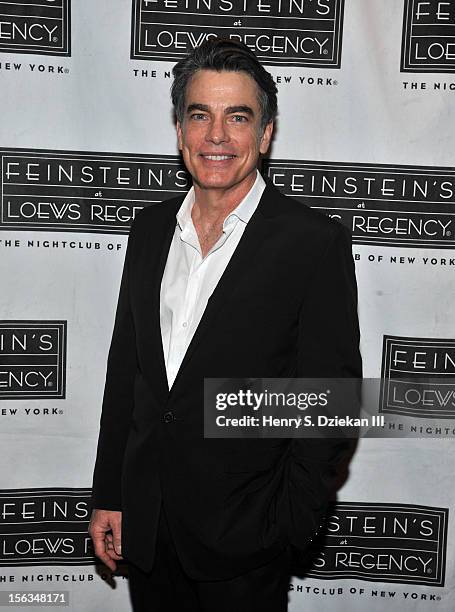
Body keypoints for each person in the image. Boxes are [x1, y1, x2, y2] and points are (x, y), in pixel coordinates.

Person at [88, 38, 362, 612]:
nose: (217, 136)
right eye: (199, 115)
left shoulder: (312, 242)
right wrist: (110, 494)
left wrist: (287, 524)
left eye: (238, 117)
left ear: (265, 135)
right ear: (180, 130)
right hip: (150, 528)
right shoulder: (149, 230)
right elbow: (127, 375)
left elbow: (330, 401)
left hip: (247, 545)